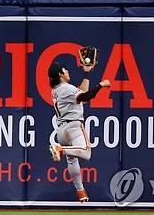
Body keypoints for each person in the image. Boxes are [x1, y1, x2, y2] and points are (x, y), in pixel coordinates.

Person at [47, 61, 110, 203]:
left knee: (72, 159)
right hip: (73, 127)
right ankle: (59, 148)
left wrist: (87, 72)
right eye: (65, 69)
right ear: (60, 74)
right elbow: (86, 97)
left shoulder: (57, 89)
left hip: (62, 131)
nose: (67, 71)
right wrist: (101, 85)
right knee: (86, 151)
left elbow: (82, 94)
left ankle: (80, 191)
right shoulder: (66, 88)